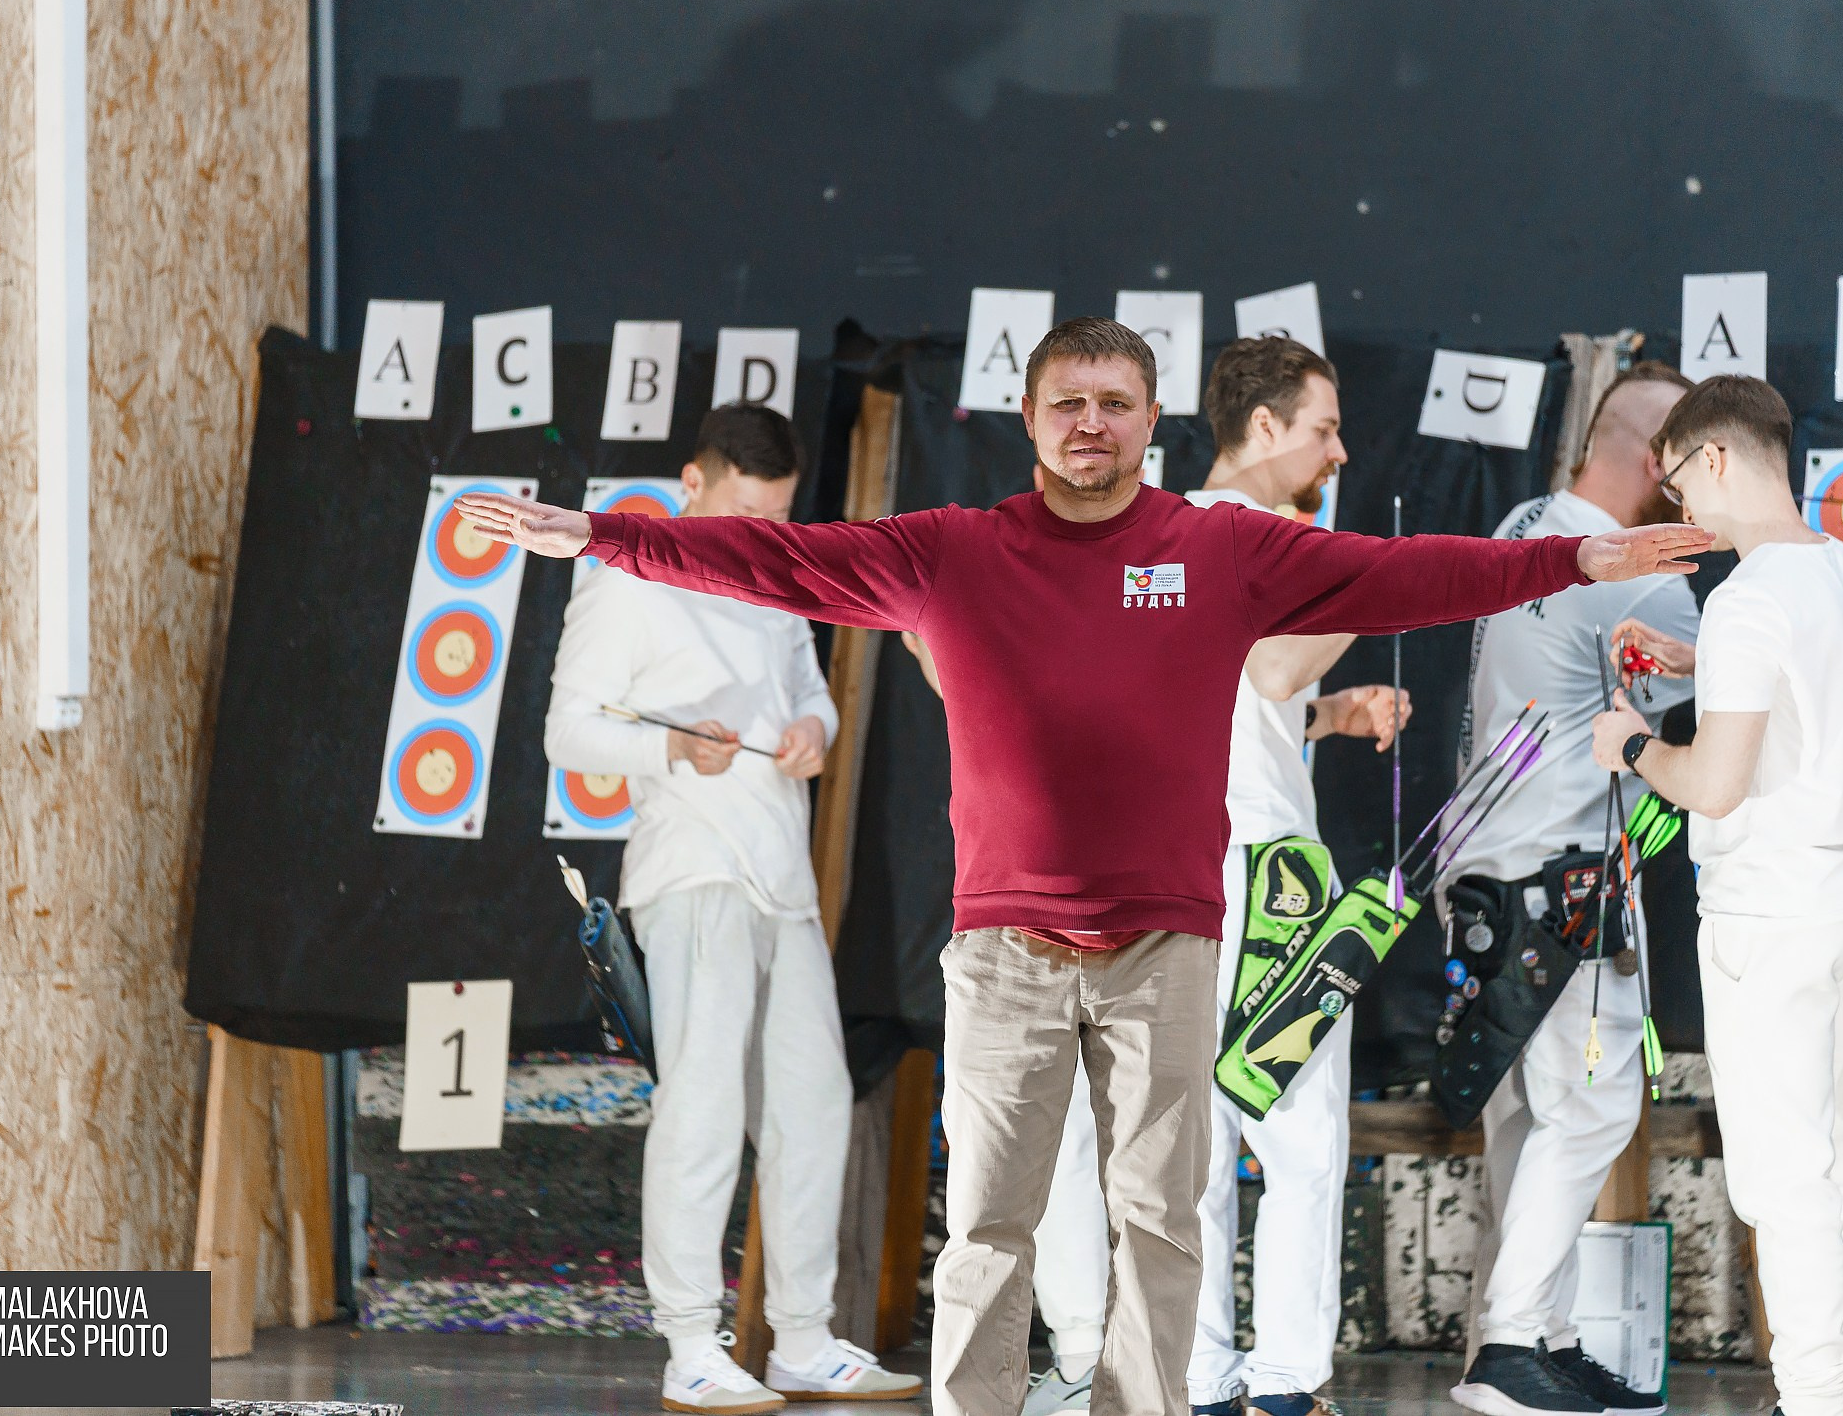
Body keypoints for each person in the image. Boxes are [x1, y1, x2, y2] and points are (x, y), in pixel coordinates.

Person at [461, 316, 1710, 1416]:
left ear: (1149, 423)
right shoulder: (954, 550)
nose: (1091, 424)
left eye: (1115, 403)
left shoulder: (1220, 549)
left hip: (1168, 943)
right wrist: (600, 535)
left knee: (1165, 1222)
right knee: (989, 1235)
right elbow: (775, 561)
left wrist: (1575, 559)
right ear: (1031, 420)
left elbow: (1409, 575)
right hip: (1003, 949)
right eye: (1069, 402)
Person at [1017, 337, 1412, 1416]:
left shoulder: (1168, 526)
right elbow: (1276, 661)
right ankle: (1279, 1382)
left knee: (1202, 1136)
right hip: (1254, 871)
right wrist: (1368, 575)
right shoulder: (1252, 538)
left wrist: (1338, 716)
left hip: (1191, 865)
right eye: (1325, 428)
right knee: (1297, 1129)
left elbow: (1255, 699)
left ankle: (1200, 1376)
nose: (1338, 448)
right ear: (1268, 427)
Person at [544, 404, 921, 1414]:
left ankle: (801, 1338)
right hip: (691, 871)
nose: (757, 534)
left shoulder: (776, 577)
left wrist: (812, 728)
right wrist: (672, 747)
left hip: (781, 876)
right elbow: (566, 734)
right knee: (703, 1108)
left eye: (777, 515)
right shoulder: (625, 578)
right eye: (743, 513)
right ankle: (688, 1347)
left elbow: (814, 691)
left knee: (812, 1107)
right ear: (691, 487)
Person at [1591, 375, 1843, 1416]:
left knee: (1780, 1181)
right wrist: (1697, 665)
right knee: (1836, 1160)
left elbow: (1710, 785)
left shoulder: (1749, 597)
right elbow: (1809, 705)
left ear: (1713, 458)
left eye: (1678, 484)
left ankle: (1812, 1399)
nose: (1681, 511)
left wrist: (1634, 743)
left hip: (1769, 917)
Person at [1446, 362, 1699, 1416]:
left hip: (1479, 866)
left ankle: (1536, 1339)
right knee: (1595, 1106)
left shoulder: (1522, 524)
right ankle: (1509, 1347)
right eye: (1689, 461)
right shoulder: (1641, 572)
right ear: (1656, 463)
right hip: (1566, 877)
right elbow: (1718, 705)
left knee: (1525, 1114)